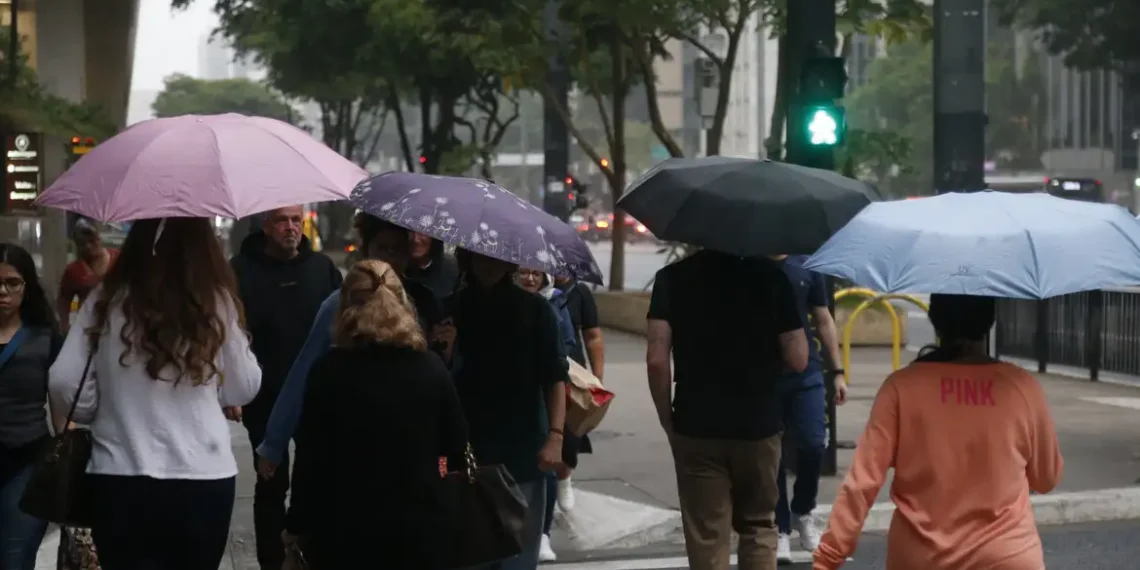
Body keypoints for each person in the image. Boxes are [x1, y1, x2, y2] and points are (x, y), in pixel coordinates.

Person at [48, 217, 262, 570]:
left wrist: (99, 408)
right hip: (202, 476)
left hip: (119, 474)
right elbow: (244, 385)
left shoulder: (107, 297)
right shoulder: (215, 300)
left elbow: (62, 381)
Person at [813, 294, 1063, 570]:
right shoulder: (1022, 387)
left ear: (935, 320)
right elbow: (1046, 479)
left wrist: (828, 558)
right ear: (990, 321)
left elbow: (862, 482)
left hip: (922, 557)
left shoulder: (901, 387)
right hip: (1008, 555)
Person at [282, 259, 467, 569]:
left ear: (345, 307)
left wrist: (296, 525)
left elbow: (310, 460)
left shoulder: (328, 372)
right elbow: (456, 446)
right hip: (420, 529)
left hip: (345, 531)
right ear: (403, 304)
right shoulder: (431, 368)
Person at [646, 250, 808, 570]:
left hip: (696, 424)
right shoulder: (773, 278)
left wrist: (668, 421)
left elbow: (656, 360)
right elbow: (799, 358)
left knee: (707, 533)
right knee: (759, 525)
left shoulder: (672, 279)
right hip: (758, 424)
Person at [255, 214, 444, 477]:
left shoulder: (423, 300)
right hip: (354, 441)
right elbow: (304, 371)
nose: (389, 258)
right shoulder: (340, 304)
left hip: (412, 442)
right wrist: (274, 442)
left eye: (397, 249)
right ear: (366, 250)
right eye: (382, 248)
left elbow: (441, 378)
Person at [228, 205, 342, 570]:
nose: (291, 228)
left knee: (316, 482)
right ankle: (272, 563)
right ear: (266, 226)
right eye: (281, 220)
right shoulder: (239, 271)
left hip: (316, 396)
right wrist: (230, 388)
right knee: (270, 486)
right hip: (264, 396)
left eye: (296, 220)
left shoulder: (322, 269)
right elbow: (228, 334)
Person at [439, 249, 568, 570]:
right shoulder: (449, 309)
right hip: (466, 452)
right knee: (470, 554)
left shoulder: (536, 311)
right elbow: (436, 384)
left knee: (519, 557)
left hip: (522, 449)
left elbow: (554, 377)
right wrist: (445, 352)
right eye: (480, 256)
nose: (488, 264)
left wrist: (556, 436)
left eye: (495, 256)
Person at [772, 255, 848, 562]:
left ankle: (802, 511)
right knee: (772, 452)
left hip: (807, 372)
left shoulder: (807, 266)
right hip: (765, 375)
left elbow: (823, 318)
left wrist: (838, 371)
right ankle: (780, 527)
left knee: (814, 443)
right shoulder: (752, 265)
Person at [0, 244, 61, 570]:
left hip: (27, 461)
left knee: (15, 560)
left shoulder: (45, 337)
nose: (3, 292)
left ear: (27, 286)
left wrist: (68, 457)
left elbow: (60, 403)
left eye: (12, 283)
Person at [551, 275, 603, 511]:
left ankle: (564, 478)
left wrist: (597, 380)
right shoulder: (533, 291)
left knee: (570, 432)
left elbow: (593, 337)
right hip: (542, 372)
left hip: (574, 374)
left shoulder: (579, 292)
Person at [56, 220, 119, 332]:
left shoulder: (118, 259)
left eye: (92, 241)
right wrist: (65, 325)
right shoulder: (73, 270)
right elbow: (64, 299)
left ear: (99, 238)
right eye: (82, 243)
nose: (88, 246)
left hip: (116, 322)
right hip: (86, 326)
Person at [406, 231, 460, 299]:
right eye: (410, 232)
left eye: (421, 232)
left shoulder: (450, 268)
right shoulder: (397, 270)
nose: (415, 239)